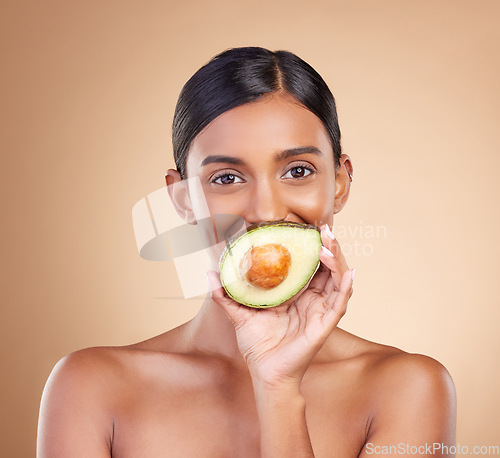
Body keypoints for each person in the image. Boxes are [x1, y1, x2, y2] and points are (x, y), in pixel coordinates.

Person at [37, 47, 456, 457]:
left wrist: (277, 388)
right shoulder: (89, 387)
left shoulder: (410, 388)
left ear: (340, 183)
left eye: (298, 171)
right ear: (182, 200)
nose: (267, 212)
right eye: (226, 178)